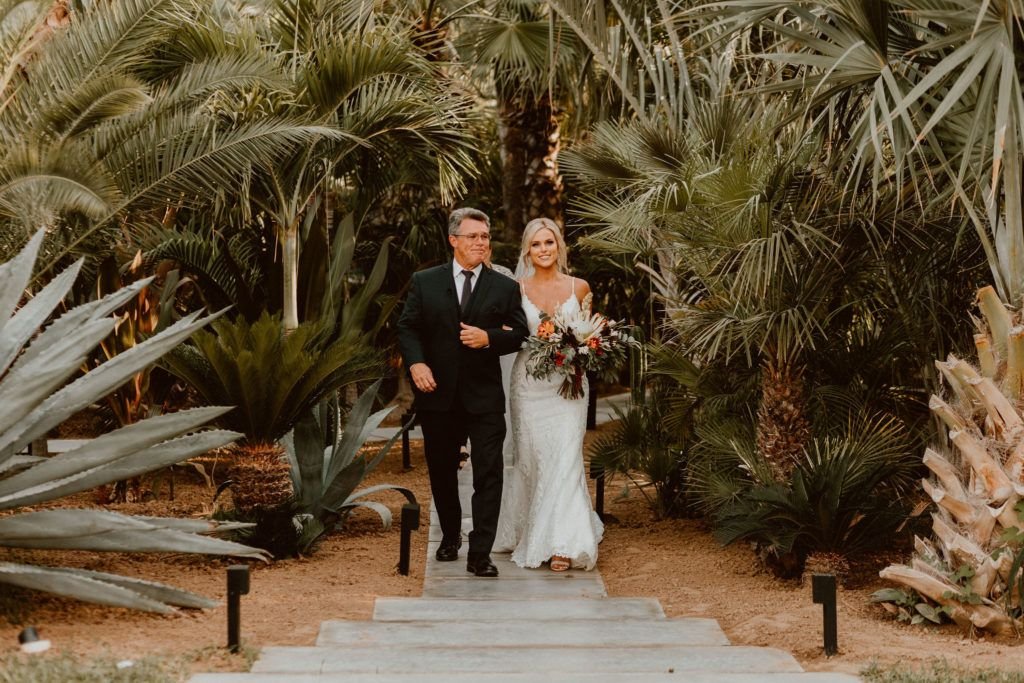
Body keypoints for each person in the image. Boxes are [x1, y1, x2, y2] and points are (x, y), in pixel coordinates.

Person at [397, 208, 528, 578]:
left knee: (490, 473)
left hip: (484, 397)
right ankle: (450, 536)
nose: (481, 243)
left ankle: (480, 552)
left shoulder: (504, 286)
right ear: (453, 240)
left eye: (485, 236)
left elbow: (519, 333)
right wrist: (417, 364)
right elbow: (407, 327)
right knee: (442, 471)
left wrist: (490, 338)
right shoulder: (425, 281)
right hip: (437, 394)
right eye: (473, 236)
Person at [494, 217, 605, 572]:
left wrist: (585, 351)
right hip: (528, 385)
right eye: (536, 244)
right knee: (531, 459)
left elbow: (594, 333)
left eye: (549, 242)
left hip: (568, 386)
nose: (543, 249)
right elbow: (509, 333)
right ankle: (531, 526)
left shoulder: (580, 287)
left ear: (560, 246)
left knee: (566, 458)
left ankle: (563, 543)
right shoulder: (517, 289)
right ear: (527, 249)